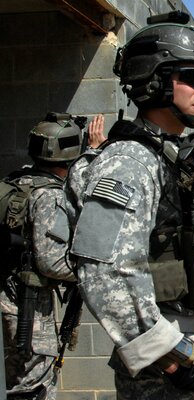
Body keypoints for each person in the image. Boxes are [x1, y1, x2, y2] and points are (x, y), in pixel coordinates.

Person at [66, 12, 194, 399]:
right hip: (169, 372)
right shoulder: (130, 161)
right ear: (155, 80)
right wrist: (176, 358)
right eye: (192, 78)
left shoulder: (181, 154)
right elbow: (106, 271)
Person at [1, 113, 105, 399]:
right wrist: (90, 267)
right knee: (35, 385)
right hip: (28, 308)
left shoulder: (16, 180)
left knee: (17, 379)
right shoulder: (48, 195)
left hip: (11, 297)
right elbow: (51, 262)